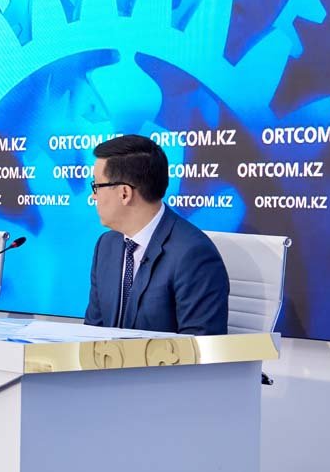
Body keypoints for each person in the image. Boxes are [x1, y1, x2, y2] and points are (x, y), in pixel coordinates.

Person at [84, 135, 230, 336]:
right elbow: (92, 331)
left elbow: (199, 346)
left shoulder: (193, 255)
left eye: (96, 186)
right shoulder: (106, 246)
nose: (93, 196)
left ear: (124, 193)